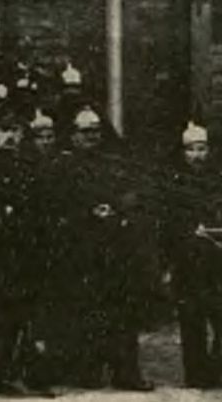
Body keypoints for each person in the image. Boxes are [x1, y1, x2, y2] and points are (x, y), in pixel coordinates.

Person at [47, 108, 155, 391]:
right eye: (85, 132)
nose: (91, 136)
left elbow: (133, 196)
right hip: (81, 251)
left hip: (115, 249)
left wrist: (117, 209)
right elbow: (57, 204)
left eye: (95, 130)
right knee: (86, 312)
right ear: (74, 135)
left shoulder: (113, 163)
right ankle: (87, 372)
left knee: (123, 313)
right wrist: (88, 212)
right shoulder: (63, 166)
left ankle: (126, 373)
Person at [159, 121, 222, 388]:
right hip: (188, 261)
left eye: (201, 149)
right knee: (192, 320)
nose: (197, 155)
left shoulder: (221, 181)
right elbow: (167, 224)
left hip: (218, 261)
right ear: (183, 153)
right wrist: (188, 235)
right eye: (191, 150)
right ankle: (197, 375)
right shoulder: (174, 183)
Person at [0, 113, 55, 397]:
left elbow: (42, 207)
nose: (9, 137)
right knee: (5, 316)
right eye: (3, 130)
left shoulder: (31, 167)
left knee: (34, 315)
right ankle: (0, 376)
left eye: (15, 131)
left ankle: (34, 376)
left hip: (29, 250)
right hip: (2, 251)